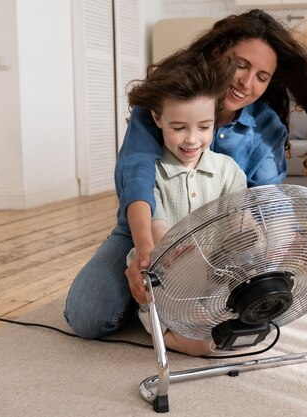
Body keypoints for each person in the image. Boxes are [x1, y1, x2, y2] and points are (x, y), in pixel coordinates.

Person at [64, 9, 307, 339]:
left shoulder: (266, 127)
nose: (246, 82)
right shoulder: (165, 99)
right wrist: (145, 254)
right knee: (88, 316)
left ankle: (173, 308)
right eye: (241, 65)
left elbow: (269, 201)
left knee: (250, 294)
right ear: (218, 53)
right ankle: (149, 303)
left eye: (262, 75)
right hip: (148, 231)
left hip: (222, 241)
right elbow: (136, 174)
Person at [125, 52, 246, 356]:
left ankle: (215, 316)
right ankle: (171, 333)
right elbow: (157, 226)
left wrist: (250, 233)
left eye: (203, 127)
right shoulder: (152, 173)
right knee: (200, 340)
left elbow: (239, 218)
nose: (192, 140)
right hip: (167, 272)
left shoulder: (228, 170)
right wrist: (170, 248)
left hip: (216, 269)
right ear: (157, 118)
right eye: (179, 128)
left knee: (243, 281)